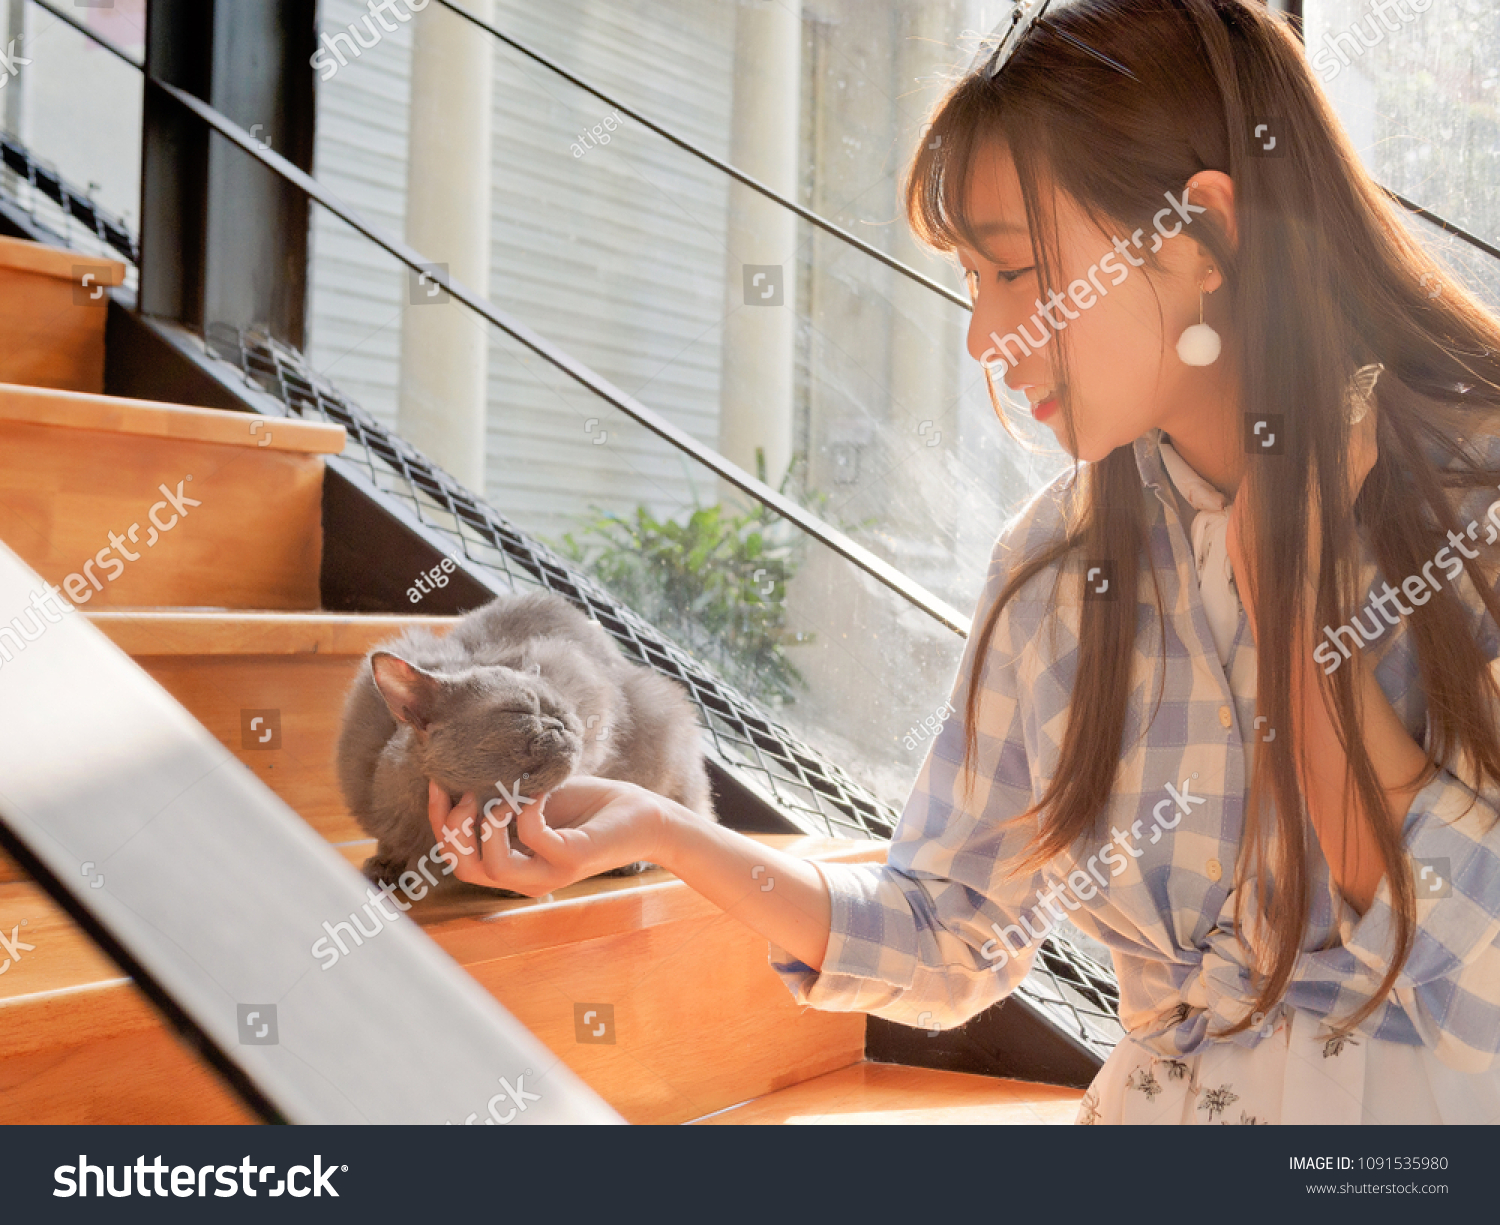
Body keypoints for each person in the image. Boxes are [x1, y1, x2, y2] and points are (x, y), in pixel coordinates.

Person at [426, 0, 1500, 1124]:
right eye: (971, 286)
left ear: (1196, 242)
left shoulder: (1470, 496)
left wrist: (1297, 629)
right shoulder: (1057, 562)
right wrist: (661, 830)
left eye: (1018, 273)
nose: (986, 339)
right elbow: (947, 933)